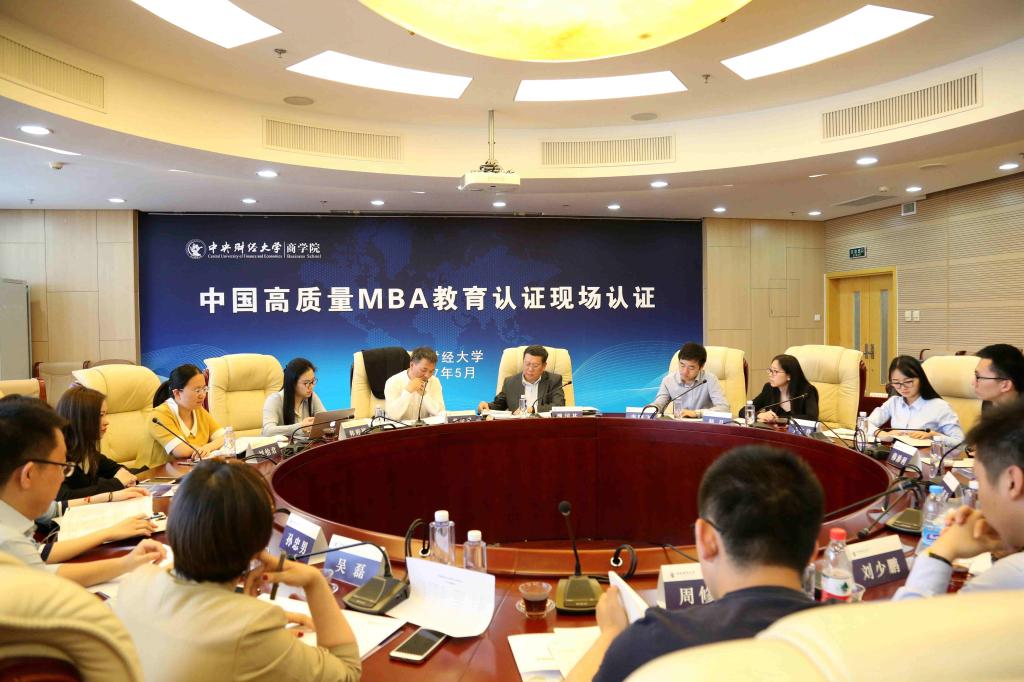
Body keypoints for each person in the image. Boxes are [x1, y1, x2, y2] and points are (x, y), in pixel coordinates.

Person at [567, 445, 824, 682]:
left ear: (707, 539)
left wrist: (611, 634)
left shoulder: (656, 641)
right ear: (812, 551)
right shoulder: (845, 629)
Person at [114, 459, 361, 681]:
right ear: (259, 543)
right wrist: (314, 582)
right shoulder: (252, 628)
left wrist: (243, 616)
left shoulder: (137, 580)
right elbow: (347, 673)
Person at [0, 395, 165, 587]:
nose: (63, 477)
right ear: (28, 475)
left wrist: (125, 560)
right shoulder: (7, 539)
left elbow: (39, 558)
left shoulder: (12, 522)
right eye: (62, 467)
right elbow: (46, 581)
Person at [894, 400, 1024, 598]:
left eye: (979, 480)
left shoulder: (1010, 576)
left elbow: (909, 616)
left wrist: (942, 549)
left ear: (1012, 482)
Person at [53, 385, 150, 507]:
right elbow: (63, 498)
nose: (106, 421)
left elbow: (112, 468)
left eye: (105, 414)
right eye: (100, 415)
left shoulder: (85, 449)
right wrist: (117, 483)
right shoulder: (55, 454)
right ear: (80, 418)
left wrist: (125, 476)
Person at [866, 355, 963, 448]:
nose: (903, 387)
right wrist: (880, 433)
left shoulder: (940, 406)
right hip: (897, 455)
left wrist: (934, 435)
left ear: (921, 379)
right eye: (896, 383)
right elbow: (865, 424)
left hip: (927, 457)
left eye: (908, 382)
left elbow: (960, 443)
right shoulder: (893, 402)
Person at [144, 364, 226, 468]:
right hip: (155, 474)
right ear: (177, 393)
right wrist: (207, 448)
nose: (202, 395)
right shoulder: (158, 416)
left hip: (189, 471)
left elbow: (225, 437)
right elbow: (181, 451)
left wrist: (208, 448)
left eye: (204, 389)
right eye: (197, 390)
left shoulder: (198, 410)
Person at [477, 345, 565, 415]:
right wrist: (487, 406)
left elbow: (559, 405)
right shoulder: (510, 382)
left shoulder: (554, 380)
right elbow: (500, 404)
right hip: (517, 428)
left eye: (535, 365)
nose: (530, 369)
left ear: (544, 366)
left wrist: (533, 409)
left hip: (544, 427)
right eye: (527, 364)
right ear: (523, 362)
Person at [651, 342, 730, 418]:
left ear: (701, 367)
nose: (685, 372)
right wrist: (650, 409)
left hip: (703, 425)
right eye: (682, 365)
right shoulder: (668, 381)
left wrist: (696, 413)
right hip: (678, 424)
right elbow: (659, 404)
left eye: (691, 368)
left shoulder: (710, 380)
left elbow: (724, 408)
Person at [263, 357, 327, 438]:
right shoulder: (274, 400)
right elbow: (267, 432)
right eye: (306, 383)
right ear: (292, 383)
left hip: (305, 444)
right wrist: (300, 427)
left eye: (313, 381)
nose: (311, 387)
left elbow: (325, 420)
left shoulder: (312, 396)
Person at [750, 354, 820, 423]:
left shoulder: (807, 391)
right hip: (772, 430)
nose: (770, 374)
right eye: (770, 370)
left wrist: (778, 419)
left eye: (775, 371)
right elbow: (746, 410)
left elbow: (812, 418)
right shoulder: (769, 389)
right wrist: (760, 414)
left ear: (789, 376)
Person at [383, 346, 445, 421]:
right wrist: (408, 391)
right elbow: (393, 416)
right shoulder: (393, 382)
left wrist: (424, 395)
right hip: (400, 427)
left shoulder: (434, 381)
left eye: (431, 371)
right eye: (423, 370)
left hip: (426, 427)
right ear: (412, 365)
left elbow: (440, 413)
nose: (427, 375)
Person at [974, 344, 1023, 410]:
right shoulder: (988, 404)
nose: (973, 383)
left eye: (978, 377)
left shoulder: (1018, 415)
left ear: (1005, 385)